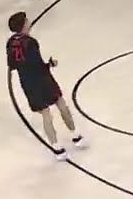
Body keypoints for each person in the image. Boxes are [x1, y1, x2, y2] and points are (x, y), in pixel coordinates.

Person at [6, 11, 87, 161]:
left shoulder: (10, 43)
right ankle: (76, 137)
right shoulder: (31, 42)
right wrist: (50, 64)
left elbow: (12, 65)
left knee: (45, 114)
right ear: (24, 25)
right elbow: (37, 65)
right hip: (43, 80)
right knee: (61, 104)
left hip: (28, 83)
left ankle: (57, 149)